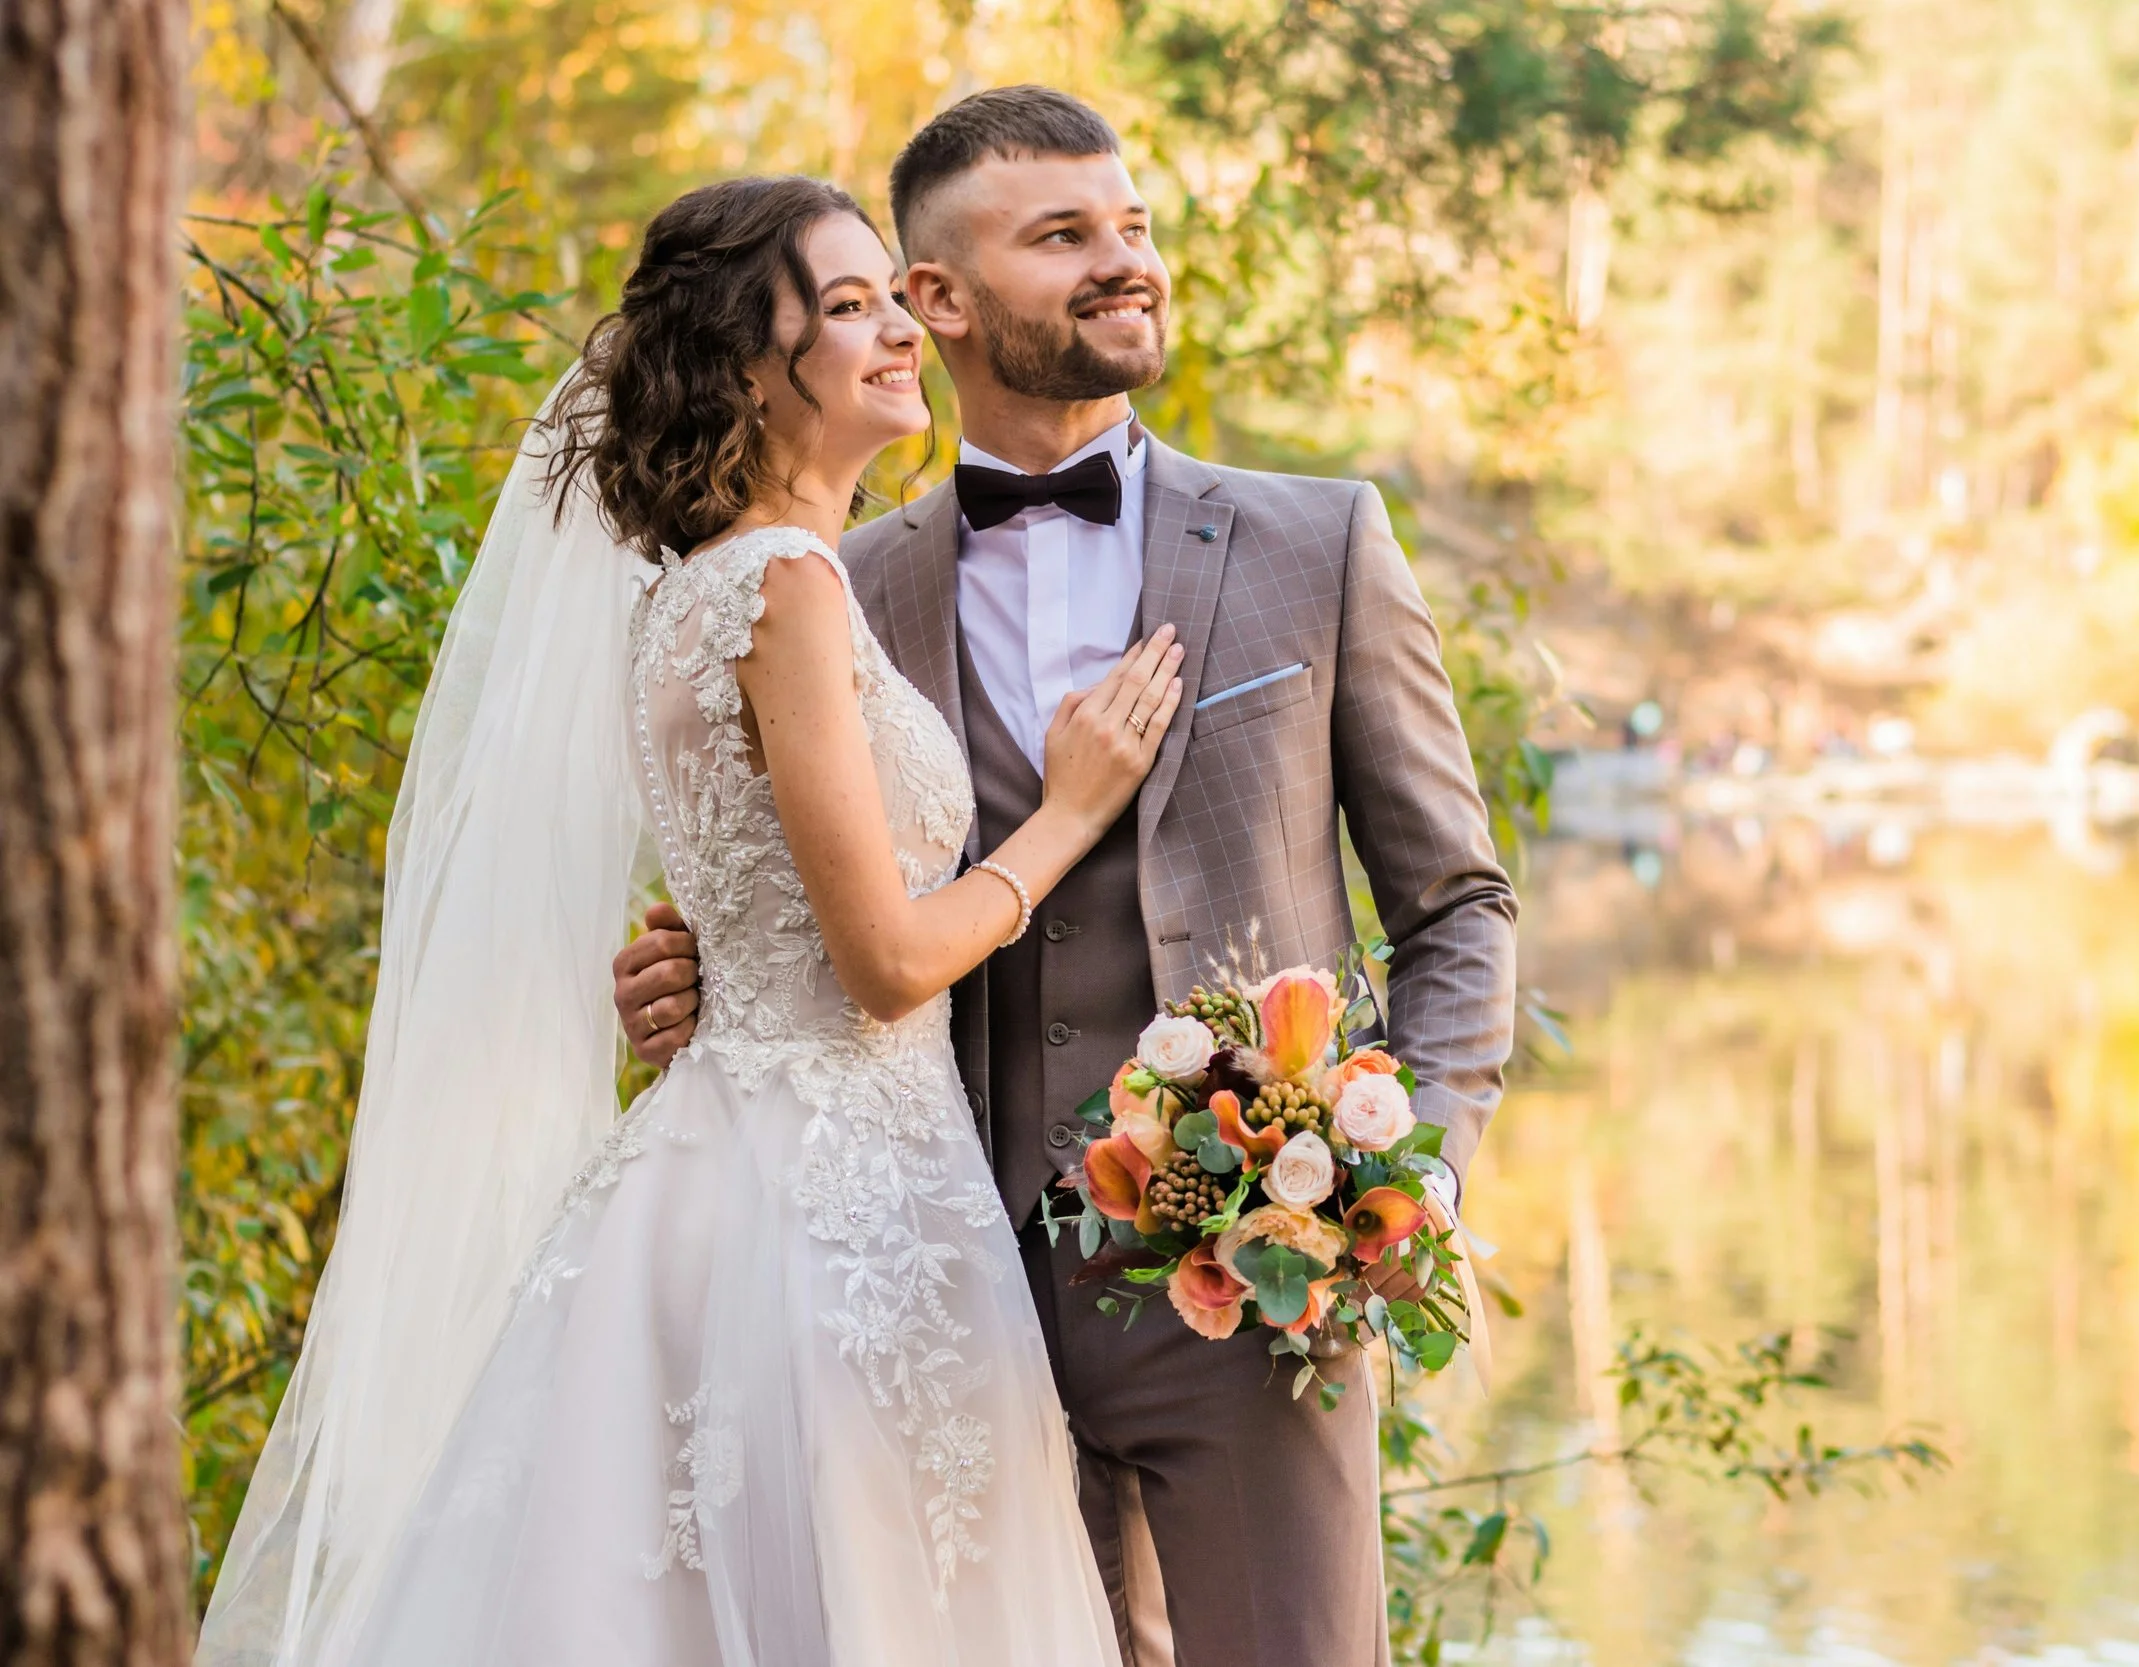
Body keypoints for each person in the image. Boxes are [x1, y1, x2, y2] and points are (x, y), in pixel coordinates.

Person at [196, 176, 1173, 1665]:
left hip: (753, 1162)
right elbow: (882, 965)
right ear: (741, 366)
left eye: (888, 296)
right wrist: (1070, 810)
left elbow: (761, 897)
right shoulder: (784, 585)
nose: (897, 330)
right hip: (832, 1203)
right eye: (845, 307)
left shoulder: (702, 592)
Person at [616, 87, 1518, 1667]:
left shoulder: (1321, 545)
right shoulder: (835, 573)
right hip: (930, 1292)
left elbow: (1457, 907)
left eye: (1134, 227)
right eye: (1064, 237)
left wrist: (1407, 1177)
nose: (1124, 263)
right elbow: (810, 878)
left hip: (1248, 1290)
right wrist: (695, 968)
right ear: (937, 301)